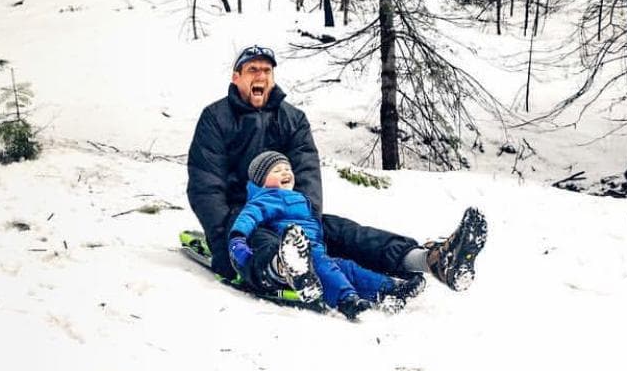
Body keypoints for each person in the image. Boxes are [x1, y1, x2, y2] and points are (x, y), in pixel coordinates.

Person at [186, 44, 486, 302]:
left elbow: (307, 174)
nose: (261, 76)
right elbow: (205, 185)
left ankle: (431, 260)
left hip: (295, 213)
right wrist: (222, 239)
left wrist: (309, 222)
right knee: (264, 241)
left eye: (267, 70)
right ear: (236, 76)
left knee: (349, 234)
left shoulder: (293, 119)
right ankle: (283, 266)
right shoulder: (216, 118)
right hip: (243, 216)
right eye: (252, 70)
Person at [228, 151, 427, 319]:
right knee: (325, 268)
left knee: (346, 268)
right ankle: (346, 299)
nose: (286, 172)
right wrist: (238, 237)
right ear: (261, 180)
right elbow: (248, 217)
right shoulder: (265, 198)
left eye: (287, 168)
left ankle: (388, 289)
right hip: (296, 249)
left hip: (315, 247)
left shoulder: (298, 198)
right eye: (277, 170)